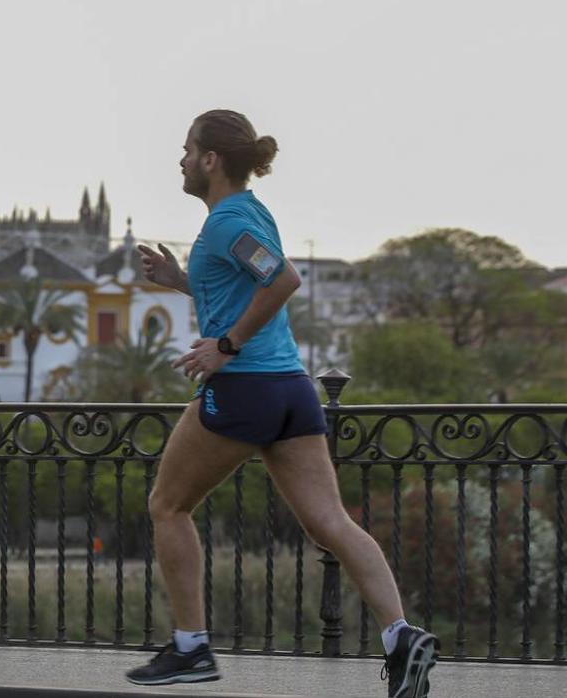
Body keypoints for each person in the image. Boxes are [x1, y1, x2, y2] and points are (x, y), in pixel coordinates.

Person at [124, 110, 438, 698]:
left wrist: (225, 346)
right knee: (330, 524)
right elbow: (246, 283)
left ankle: (191, 646)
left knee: (168, 505)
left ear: (211, 160)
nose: (182, 160)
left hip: (245, 389)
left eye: (188, 150)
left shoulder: (227, 222)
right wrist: (182, 282)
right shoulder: (245, 216)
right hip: (292, 390)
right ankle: (400, 636)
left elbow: (283, 279)